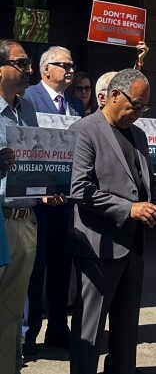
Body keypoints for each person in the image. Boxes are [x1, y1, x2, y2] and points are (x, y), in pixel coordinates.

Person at [68, 68, 156, 374]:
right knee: (89, 333)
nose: (139, 112)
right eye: (136, 104)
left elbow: (147, 181)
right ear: (112, 96)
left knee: (126, 333)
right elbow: (79, 188)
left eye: (144, 107)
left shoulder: (139, 134)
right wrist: (128, 209)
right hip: (99, 247)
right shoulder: (84, 129)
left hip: (134, 245)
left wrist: (155, 206)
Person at [0, 39, 67, 374]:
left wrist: (45, 190)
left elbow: (32, 163)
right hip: (0, 220)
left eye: (28, 63)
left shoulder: (26, 109)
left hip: (26, 220)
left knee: (12, 312)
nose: (29, 70)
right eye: (21, 62)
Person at [22, 45, 85, 356]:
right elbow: (25, 148)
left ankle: (58, 327)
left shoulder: (75, 104)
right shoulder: (28, 99)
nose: (70, 69)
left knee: (62, 267)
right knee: (35, 268)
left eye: (72, 64)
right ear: (46, 69)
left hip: (68, 200)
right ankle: (28, 332)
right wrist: (40, 188)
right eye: (64, 64)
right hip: (39, 201)